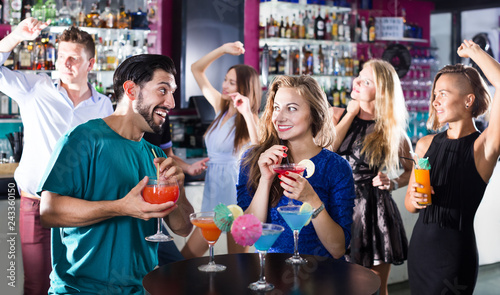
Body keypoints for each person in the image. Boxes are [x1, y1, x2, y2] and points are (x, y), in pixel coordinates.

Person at [38, 54, 194, 294]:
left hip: (141, 289)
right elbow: (49, 212)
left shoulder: (155, 155)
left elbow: (183, 228)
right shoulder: (83, 140)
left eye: (172, 92)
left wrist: (179, 191)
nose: (171, 103)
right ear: (131, 90)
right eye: (162, 90)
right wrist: (120, 207)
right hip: (79, 290)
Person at [0, 18, 114, 294]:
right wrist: (15, 36)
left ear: (90, 63)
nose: (65, 63)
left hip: (81, 208)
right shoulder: (35, 88)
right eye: (61, 56)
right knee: (37, 284)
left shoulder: (104, 106)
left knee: (78, 284)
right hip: (34, 205)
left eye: (74, 58)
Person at [405, 40, 500, 295]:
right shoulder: (425, 144)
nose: (435, 101)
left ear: (469, 100)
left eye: (443, 94)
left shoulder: (484, 147)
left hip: (454, 259)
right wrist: (414, 198)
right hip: (420, 252)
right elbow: (410, 205)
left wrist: (475, 53)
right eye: (434, 94)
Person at [237, 75, 355, 259]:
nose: (280, 117)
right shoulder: (253, 159)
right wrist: (265, 180)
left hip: (320, 276)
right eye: (276, 108)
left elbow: (338, 248)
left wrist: (313, 201)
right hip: (269, 272)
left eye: (291, 108)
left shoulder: (337, 167)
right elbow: (248, 236)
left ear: (314, 114)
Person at [330, 59, 413, 294]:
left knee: (375, 288)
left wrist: (393, 182)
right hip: (339, 207)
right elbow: (326, 151)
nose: (356, 82)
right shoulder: (336, 115)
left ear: (382, 92)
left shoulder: (391, 130)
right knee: (338, 284)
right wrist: (351, 114)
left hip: (375, 212)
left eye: (366, 81)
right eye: (359, 76)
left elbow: (412, 170)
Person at [181, 41, 261, 257]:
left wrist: (245, 113)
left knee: (237, 263)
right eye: (225, 79)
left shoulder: (250, 118)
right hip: (214, 191)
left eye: (232, 82)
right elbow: (196, 69)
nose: (224, 85)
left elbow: (258, 152)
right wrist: (223, 50)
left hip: (236, 194)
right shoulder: (220, 106)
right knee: (185, 258)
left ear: (244, 88)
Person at [143, 119, 209, 266]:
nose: (170, 103)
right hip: (141, 197)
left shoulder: (161, 119)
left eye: (172, 94)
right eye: (163, 93)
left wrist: (188, 168)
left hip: (157, 189)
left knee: (174, 266)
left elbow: (167, 156)